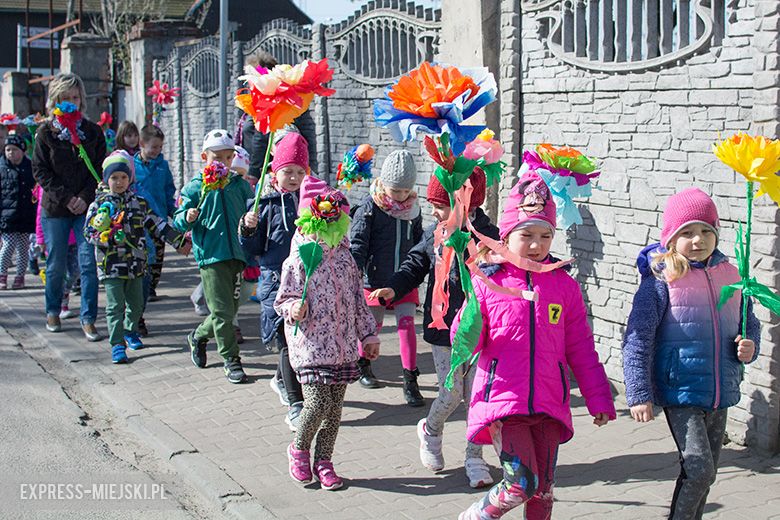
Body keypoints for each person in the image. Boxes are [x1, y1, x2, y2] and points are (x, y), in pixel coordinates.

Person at [457, 170, 616, 519]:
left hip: (548, 403)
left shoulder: (564, 287)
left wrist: (598, 396)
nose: (536, 244)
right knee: (519, 484)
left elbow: (581, 349)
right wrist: (469, 320)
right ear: (507, 234)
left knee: (543, 491)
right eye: (526, 234)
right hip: (504, 402)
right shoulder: (487, 282)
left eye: (545, 235)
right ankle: (477, 515)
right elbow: (463, 342)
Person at [622, 188, 760, 520]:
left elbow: (748, 320)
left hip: (719, 389)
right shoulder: (660, 280)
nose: (698, 240)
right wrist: (639, 392)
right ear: (670, 237)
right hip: (680, 390)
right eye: (687, 232)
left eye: (706, 231)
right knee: (698, 469)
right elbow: (637, 339)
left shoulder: (731, 274)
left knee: (707, 474)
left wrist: (749, 344)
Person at [370, 170, 498, 489]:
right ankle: (430, 429)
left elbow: (501, 275)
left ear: (463, 203)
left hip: (480, 330)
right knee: (451, 392)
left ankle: (474, 457)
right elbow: (414, 266)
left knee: (476, 398)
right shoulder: (435, 233)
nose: (433, 211)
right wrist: (393, 288)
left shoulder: (488, 236)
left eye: (439, 205)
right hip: (442, 329)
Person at [274, 175, 380, 490]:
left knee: (334, 410)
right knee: (317, 404)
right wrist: (293, 308)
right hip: (310, 345)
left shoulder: (347, 259)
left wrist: (368, 336)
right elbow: (283, 299)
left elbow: (358, 302)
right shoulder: (300, 257)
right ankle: (298, 449)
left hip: (344, 346)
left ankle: (324, 461)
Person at [84, 151, 188, 363]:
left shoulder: (138, 202)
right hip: (111, 265)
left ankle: (130, 330)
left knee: (136, 303)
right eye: (114, 178)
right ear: (106, 180)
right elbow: (88, 233)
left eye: (123, 177)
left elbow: (157, 224)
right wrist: (105, 235)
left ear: (130, 178)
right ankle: (117, 344)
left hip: (136, 263)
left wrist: (178, 242)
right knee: (114, 307)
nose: (119, 182)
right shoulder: (98, 206)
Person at [173, 129, 254, 384]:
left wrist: (252, 221)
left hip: (238, 255)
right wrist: (186, 218)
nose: (222, 162)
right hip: (211, 256)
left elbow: (253, 209)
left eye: (228, 157)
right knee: (222, 311)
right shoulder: (195, 187)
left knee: (227, 311)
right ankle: (231, 359)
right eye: (215, 157)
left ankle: (198, 336)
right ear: (203, 157)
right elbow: (178, 220)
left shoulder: (239, 185)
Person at [240, 133, 307, 429]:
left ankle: (282, 379)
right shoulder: (262, 204)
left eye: (299, 172)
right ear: (274, 172)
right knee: (285, 343)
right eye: (287, 171)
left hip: (304, 282)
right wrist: (248, 229)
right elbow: (252, 251)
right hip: (275, 282)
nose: (293, 177)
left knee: (297, 341)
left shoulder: (312, 200)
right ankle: (296, 404)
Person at [33, 72, 105, 340]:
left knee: (88, 264)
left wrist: (84, 198)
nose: (71, 103)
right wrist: (66, 198)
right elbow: (40, 171)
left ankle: (88, 317)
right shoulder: (46, 133)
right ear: (55, 101)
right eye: (65, 99)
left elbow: (99, 169)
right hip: (56, 209)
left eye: (75, 98)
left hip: (85, 209)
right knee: (56, 265)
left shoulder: (92, 131)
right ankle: (52, 310)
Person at [349, 150, 425, 405]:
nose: (401, 197)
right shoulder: (370, 208)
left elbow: (418, 244)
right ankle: (363, 365)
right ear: (384, 183)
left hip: (403, 279)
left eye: (405, 191)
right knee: (373, 327)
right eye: (396, 190)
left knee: (406, 327)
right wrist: (356, 272)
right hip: (375, 278)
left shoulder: (413, 209)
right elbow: (358, 244)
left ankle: (410, 379)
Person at [0, 135, 36, 289]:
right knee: (8, 246)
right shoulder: (2, 167)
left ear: (22, 151)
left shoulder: (30, 167)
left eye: (14, 150)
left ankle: (20, 277)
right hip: (7, 216)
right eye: (8, 150)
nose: (11, 153)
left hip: (26, 215)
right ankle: (2, 275)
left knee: (23, 248)